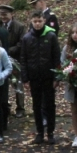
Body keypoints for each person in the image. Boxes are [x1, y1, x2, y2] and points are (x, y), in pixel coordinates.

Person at [22, 10, 61, 144]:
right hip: (34, 77)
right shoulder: (27, 38)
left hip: (48, 77)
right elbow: (24, 59)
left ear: (44, 20)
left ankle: (50, 133)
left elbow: (56, 58)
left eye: (39, 21)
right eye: (35, 21)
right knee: (36, 105)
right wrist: (25, 79)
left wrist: (57, 77)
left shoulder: (51, 36)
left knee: (50, 105)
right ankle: (40, 132)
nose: (37, 24)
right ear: (31, 22)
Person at [0, 5, 28, 118]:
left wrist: (8, 51)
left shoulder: (19, 27)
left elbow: (22, 43)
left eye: (5, 14)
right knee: (3, 84)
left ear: (11, 14)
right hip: (1, 60)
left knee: (17, 84)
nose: (3, 17)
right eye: (1, 15)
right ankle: (6, 106)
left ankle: (20, 108)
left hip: (16, 59)